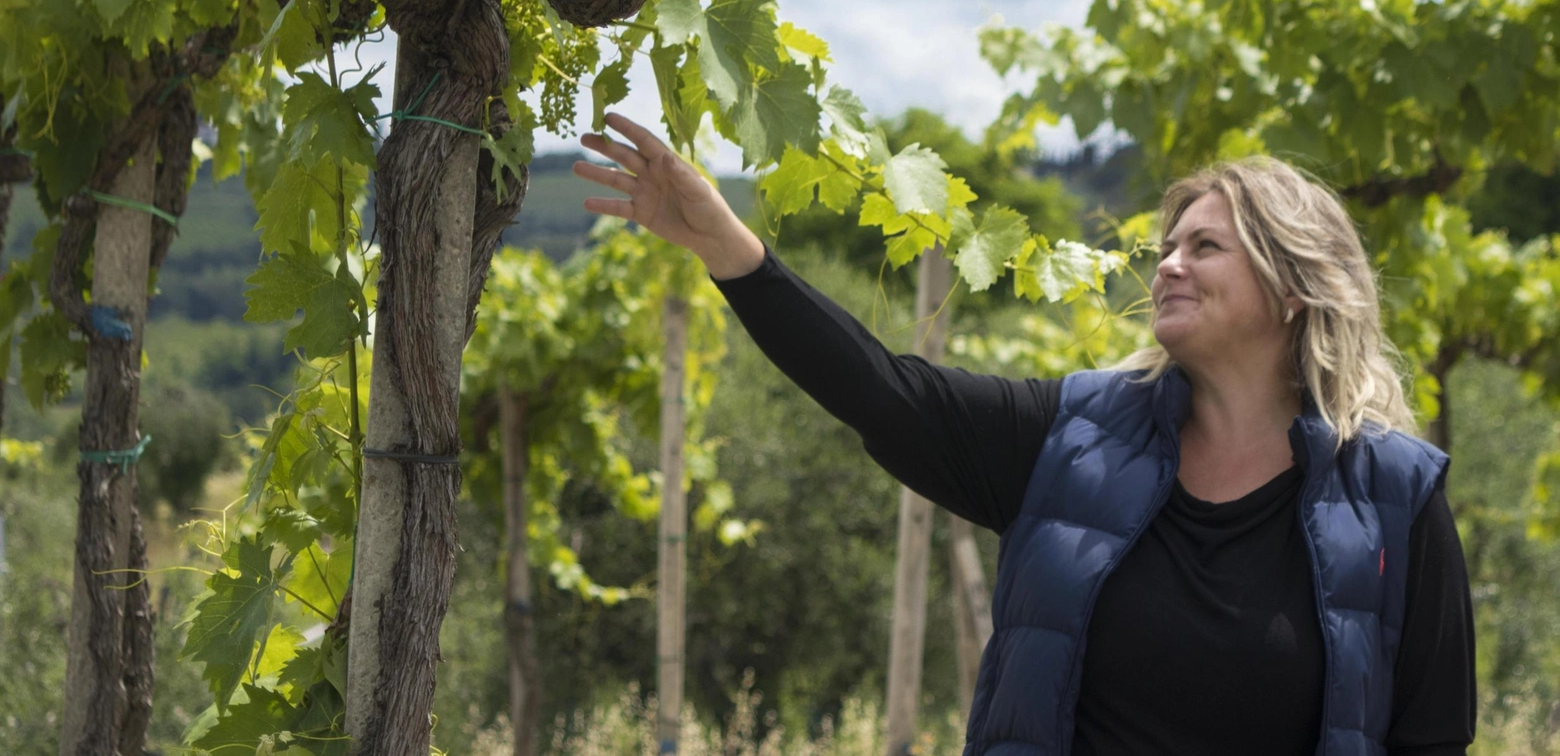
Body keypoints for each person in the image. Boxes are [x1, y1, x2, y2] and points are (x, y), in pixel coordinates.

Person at [573, 113, 1476, 756]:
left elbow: (1432, 738)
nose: (1166, 264)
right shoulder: (1070, 439)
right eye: (1167, 245)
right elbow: (887, 395)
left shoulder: (1396, 496)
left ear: (1293, 288)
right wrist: (730, 249)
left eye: (1205, 247)